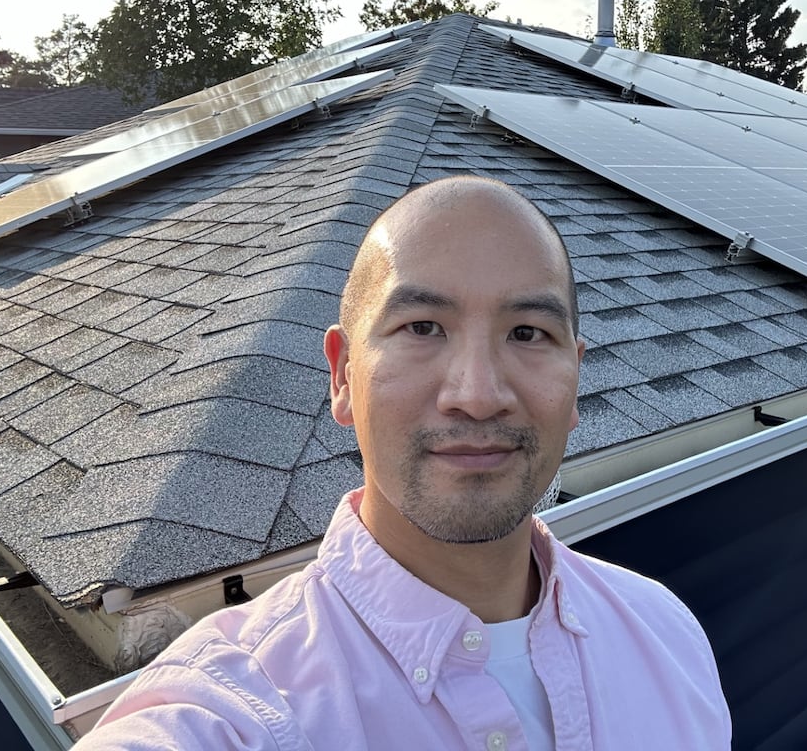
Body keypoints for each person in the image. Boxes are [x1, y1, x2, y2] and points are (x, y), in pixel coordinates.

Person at [76, 175, 731, 750]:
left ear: (575, 380)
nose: (477, 394)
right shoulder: (233, 708)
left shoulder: (666, 635)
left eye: (528, 333)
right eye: (422, 327)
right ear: (342, 375)